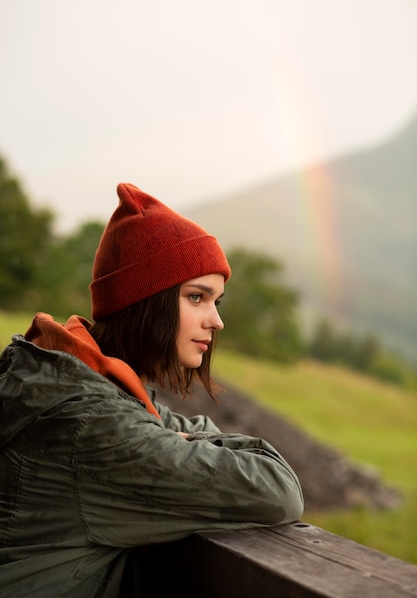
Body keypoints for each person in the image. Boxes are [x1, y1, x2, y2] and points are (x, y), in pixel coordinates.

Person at [0, 183, 303, 597]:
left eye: (217, 301)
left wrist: (171, 437)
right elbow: (278, 491)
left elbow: (177, 425)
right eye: (197, 297)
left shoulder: (80, 386)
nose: (216, 321)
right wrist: (174, 439)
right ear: (147, 302)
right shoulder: (90, 422)